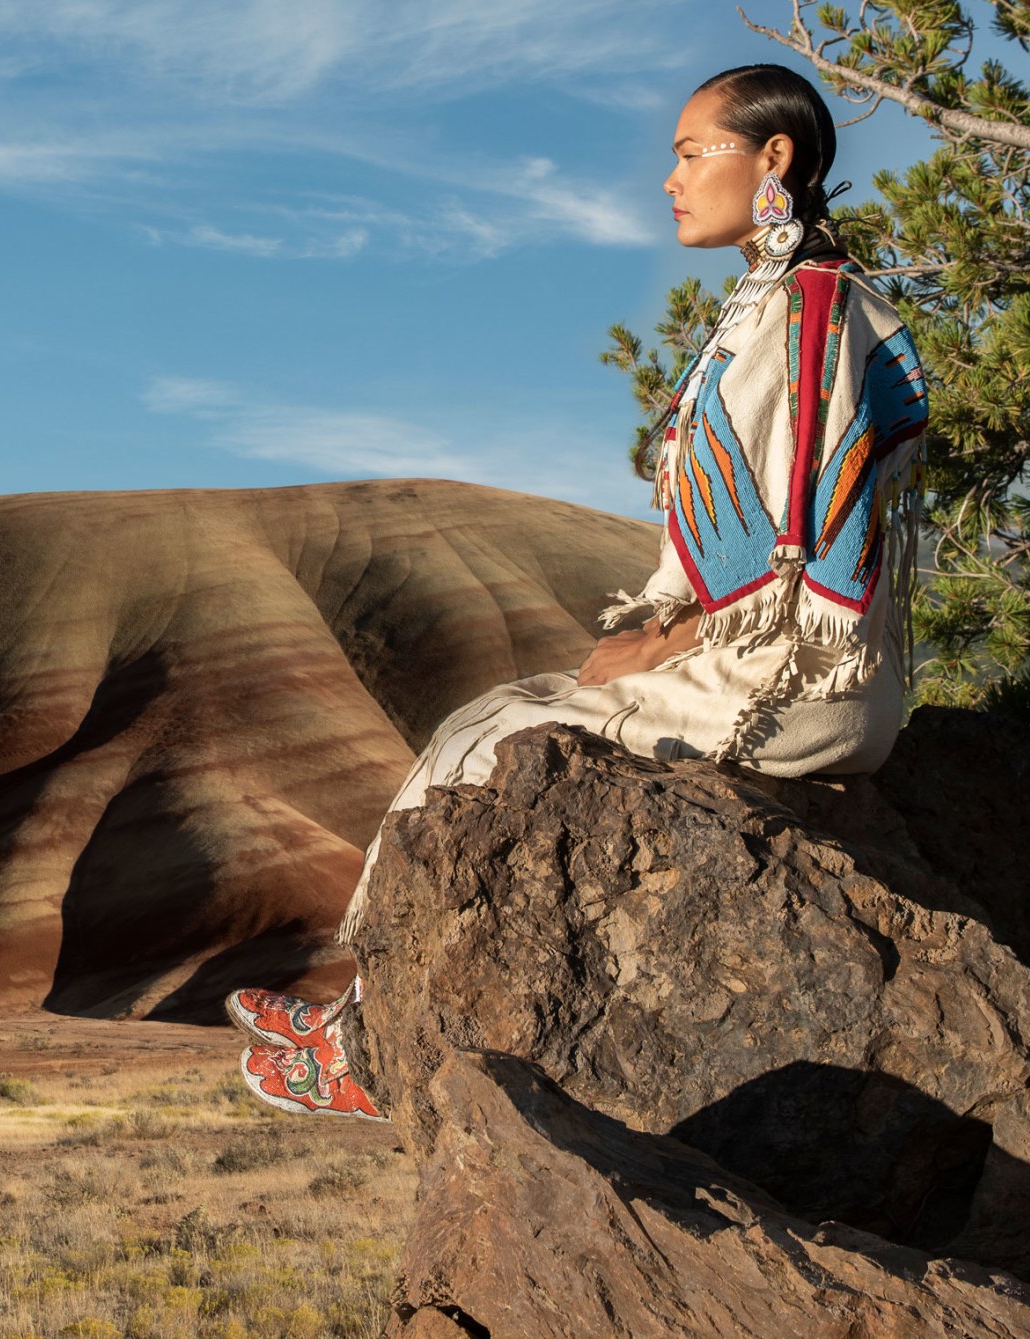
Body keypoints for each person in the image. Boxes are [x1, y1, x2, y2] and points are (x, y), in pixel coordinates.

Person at [230, 64, 931, 1121]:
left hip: (795, 678)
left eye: (693, 153)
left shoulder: (817, 311)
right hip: (761, 657)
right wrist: (668, 627)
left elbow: (795, 537)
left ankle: (368, 1053)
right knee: (493, 718)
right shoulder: (781, 302)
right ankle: (362, 1012)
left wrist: (674, 636)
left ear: (772, 157)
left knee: (493, 750)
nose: (670, 179)